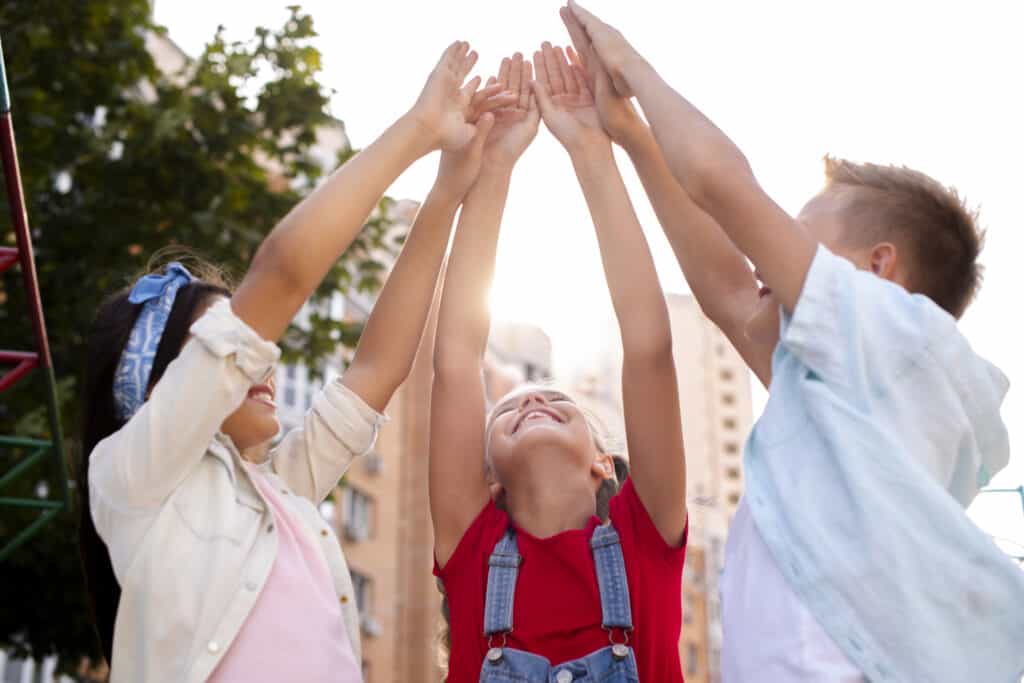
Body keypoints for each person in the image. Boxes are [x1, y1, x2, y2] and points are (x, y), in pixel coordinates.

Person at [561, 3, 1024, 681]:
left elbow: (723, 184)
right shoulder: (844, 394)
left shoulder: (887, 333)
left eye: (790, 234)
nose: (760, 259)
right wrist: (629, 134)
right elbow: (723, 290)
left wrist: (633, 66)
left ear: (877, 265)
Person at [78, 41, 515, 683]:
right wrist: (418, 129)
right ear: (164, 385)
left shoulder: (277, 492)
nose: (264, 360)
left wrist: (447, 190)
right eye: (231, 347)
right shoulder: (133, 474)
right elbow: (282, 274)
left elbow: (375, 371)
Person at [430, 48, 688, 683]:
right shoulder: (473, 547)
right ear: (486, 475)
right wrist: (494, 167)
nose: (533, 400)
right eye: (512, 406)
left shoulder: (644, 539)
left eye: (557, 402)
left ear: (604, 461)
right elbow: (457, 359)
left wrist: (592, 152)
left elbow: (649, 345)